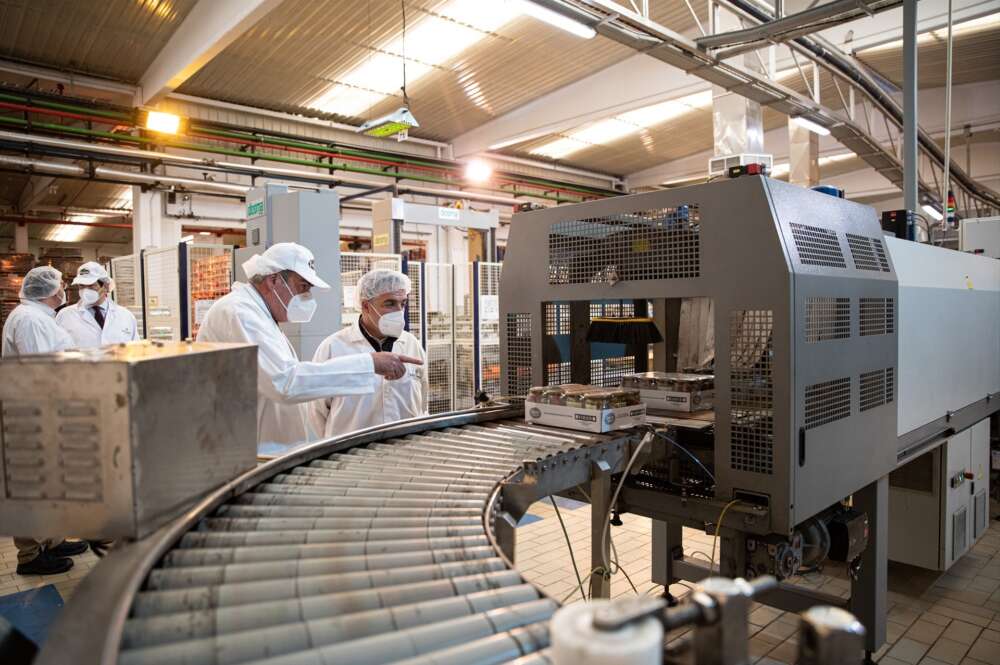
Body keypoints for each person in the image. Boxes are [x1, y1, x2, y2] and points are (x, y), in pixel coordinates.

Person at [197, 242, 421, 447]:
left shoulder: (260, 315)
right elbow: (285, 382)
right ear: (274, 280)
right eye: (303, 286)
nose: (307, 296)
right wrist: (369, 363)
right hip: (244, 448)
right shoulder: (239, 312)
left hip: (261, 445)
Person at [1, 266, 89, 575]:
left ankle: (52, 539)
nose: (65, 289)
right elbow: (41, 371)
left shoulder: (40, 317)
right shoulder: (29, 320)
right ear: (51, 292)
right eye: (62, 285)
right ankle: (30, 555)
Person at [310, 269, 428, 438]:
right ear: (366, 306)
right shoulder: (333, 348)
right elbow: (317, 411)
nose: (399, 311)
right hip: (351, 454)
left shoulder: (411, 344)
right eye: (390, 303)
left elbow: (422, 400)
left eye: (403, 303)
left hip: (405, 452)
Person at [56, 261, 139, 348]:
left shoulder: (125, 316)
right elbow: (57, 350)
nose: (85, 291)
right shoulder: (65, 316)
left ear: (105, 286)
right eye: (82, 286)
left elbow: (136, 350)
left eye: (91, 286)